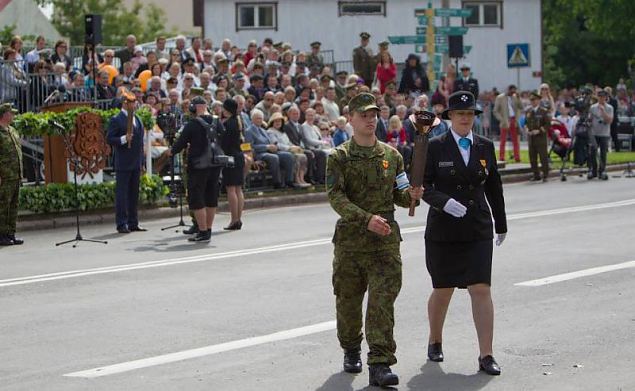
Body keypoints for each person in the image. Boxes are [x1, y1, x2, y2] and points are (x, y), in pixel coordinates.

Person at [326, 92, 423, 387]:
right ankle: (351, 347)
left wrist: (413, 197)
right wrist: (366, 219)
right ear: (351, 118)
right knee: (348, 302)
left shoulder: (391, 156)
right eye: (364, 115)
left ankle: (380, 362)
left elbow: (401, 193)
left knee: (382, 303)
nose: (371, 120)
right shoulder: (339, 157)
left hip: (384, 245)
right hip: (351, 244)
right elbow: (336, 197)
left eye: (374, 115)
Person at [422, 90, 507, 376]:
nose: (465, 119)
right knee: (443, 289)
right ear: (449, 117)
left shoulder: (484, 145)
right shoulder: (434, 146)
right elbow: (422, 186)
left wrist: (501, 222)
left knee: (481, 287)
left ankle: (486, 354)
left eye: (469, 114)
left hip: (477, 226)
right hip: (444, 229)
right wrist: (442, 202)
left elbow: (494, 185)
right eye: (460, 114)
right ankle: (435, 338)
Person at [169, 96, 223, 242]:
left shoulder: (193, 124)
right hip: (216, 163)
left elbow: (179, 144)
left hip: (198, 165)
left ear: (194, 108)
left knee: (197, 197)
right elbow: (223, 137)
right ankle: (208, 229)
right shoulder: (217, 121)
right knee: (211, 197)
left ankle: (203, 231)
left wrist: (171, 151)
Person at [106, 92, 147, 234]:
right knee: (122, 194)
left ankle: (133, 222)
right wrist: (124, 139)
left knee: (134, 194)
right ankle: (121, 223)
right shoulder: (116, 119)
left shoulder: (137, 119)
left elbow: (140, 143)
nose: (134, 104)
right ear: (124, 103)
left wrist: (142, 162)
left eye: (135, 101)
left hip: (135, 161)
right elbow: (110, 138)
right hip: (123, 162)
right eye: (131, 101)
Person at [244, 109, 296, 188]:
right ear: (252, 119)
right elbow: (250, 147)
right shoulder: (249, 131)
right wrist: (266, 147)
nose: (260, 120)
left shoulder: (263, 130)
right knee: (273, 157)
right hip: (258, 154)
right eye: (258, 118)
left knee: (288, 156)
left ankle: (289, 181)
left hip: (270, 151)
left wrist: (273, 146)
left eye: (261, 118)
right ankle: (277, 183)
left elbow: (269, 143)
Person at [220, 99, 246, 230]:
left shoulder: (228, 123)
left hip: (230, 157)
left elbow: (224, 142)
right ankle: (238, 219)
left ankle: (234, 219)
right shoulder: (238, 121)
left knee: (231, 189)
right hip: (239, 155)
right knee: (238, 189)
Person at [0, 103, 24, 246]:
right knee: (3, 206)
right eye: (11, 113)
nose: (13, 115)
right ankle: (1, 235)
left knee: (14, 206)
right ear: (4, 115)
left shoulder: (12, 130)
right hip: (4, 176)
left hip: (15, 175)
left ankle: (10, 234)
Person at [524, 91, 551, 182]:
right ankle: (536, 175)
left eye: (534, 100)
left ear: (539, 100)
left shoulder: (544, 111)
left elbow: (548, 124)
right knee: (532, 157)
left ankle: (545, 175)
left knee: (543, 157)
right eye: (531, 100)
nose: (533, 102)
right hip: (531, 138)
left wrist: (539, 130)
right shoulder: (528, 111)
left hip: (540, 138)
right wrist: (527, 129)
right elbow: (526, 123)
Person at [588, 90, 613, 180]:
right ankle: (593, 170)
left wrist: (603, 112)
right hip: (594, 133)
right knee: (592, 153)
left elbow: (609, 120)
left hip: (604, 133)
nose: (601, 98)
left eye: (603, 97)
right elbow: (589, 119)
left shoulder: (609, 108)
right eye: (600, 96)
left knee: (603, 153)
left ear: (606, 97)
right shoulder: (593, 107)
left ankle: (602, 170)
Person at [493, 85, 522, 162]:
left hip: (513, 119)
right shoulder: (500, 97)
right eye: (511, 91)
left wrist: (519, 98)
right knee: (503, 140)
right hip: (505, 120)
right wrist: (501, 119)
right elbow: (495, 111)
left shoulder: (515, 97)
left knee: (515, 140)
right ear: (508, 90)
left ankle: (517, 157)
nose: (513, 93)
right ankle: (501, 157)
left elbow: (521, 107)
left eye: (514, 91)